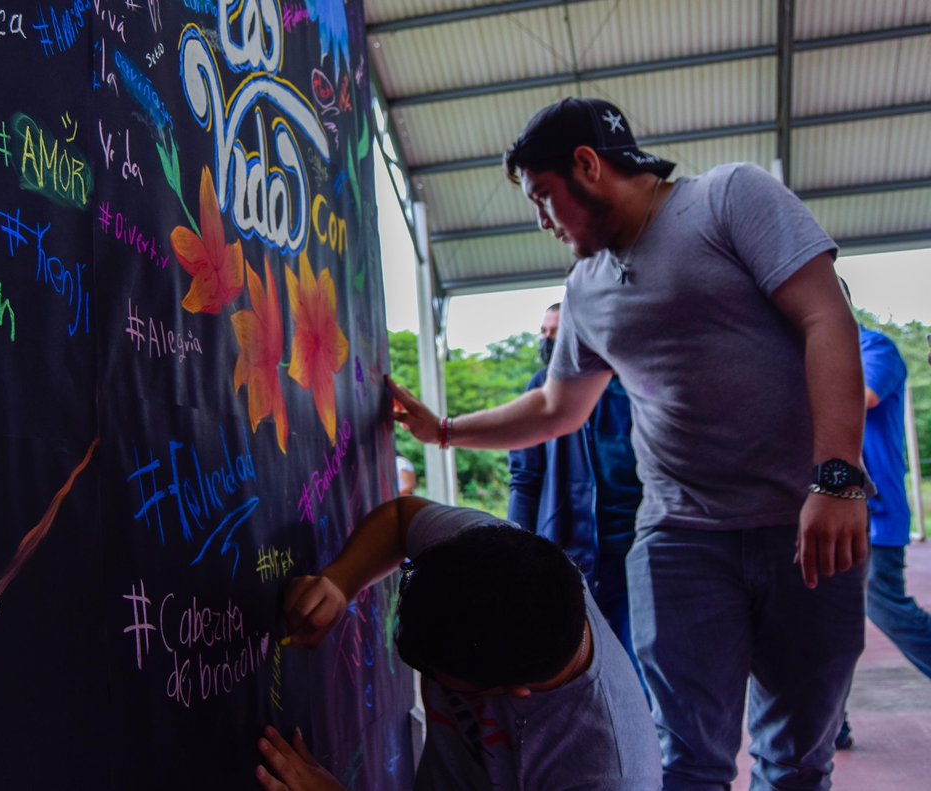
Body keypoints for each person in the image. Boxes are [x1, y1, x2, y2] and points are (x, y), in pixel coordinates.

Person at [389, 96, 869, 789]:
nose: (541, 220)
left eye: (544, 196)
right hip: (680, 540)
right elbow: (558, 408)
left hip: (806, 524)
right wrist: (445, 431)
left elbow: (828, 317)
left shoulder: (728, 199)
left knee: (797, 757)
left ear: (588, 165)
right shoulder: (584, 289)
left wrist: (836, 479)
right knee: (689, 759)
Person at [255, 496, 661, 790]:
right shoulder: (491, 555)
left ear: (516, 692)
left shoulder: (608, 773)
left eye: (440, 679)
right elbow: (401, 520)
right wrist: (341, 581)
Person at [508, 302, 643, 682]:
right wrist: (516, 549)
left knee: (639, 664)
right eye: (544, 332)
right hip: (568, 550)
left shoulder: (635, 384)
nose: (547, 340)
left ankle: (640, 739)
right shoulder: (541, 388)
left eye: (556, 332)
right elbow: (524, 477)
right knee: (575, 665)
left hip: (637, 548)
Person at [836, 309, 931, 749]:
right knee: (819, 619)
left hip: (878, 516)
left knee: (887, 607)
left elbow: (865, 396)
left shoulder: (876, 349)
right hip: (827, 513)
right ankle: (831, 723)